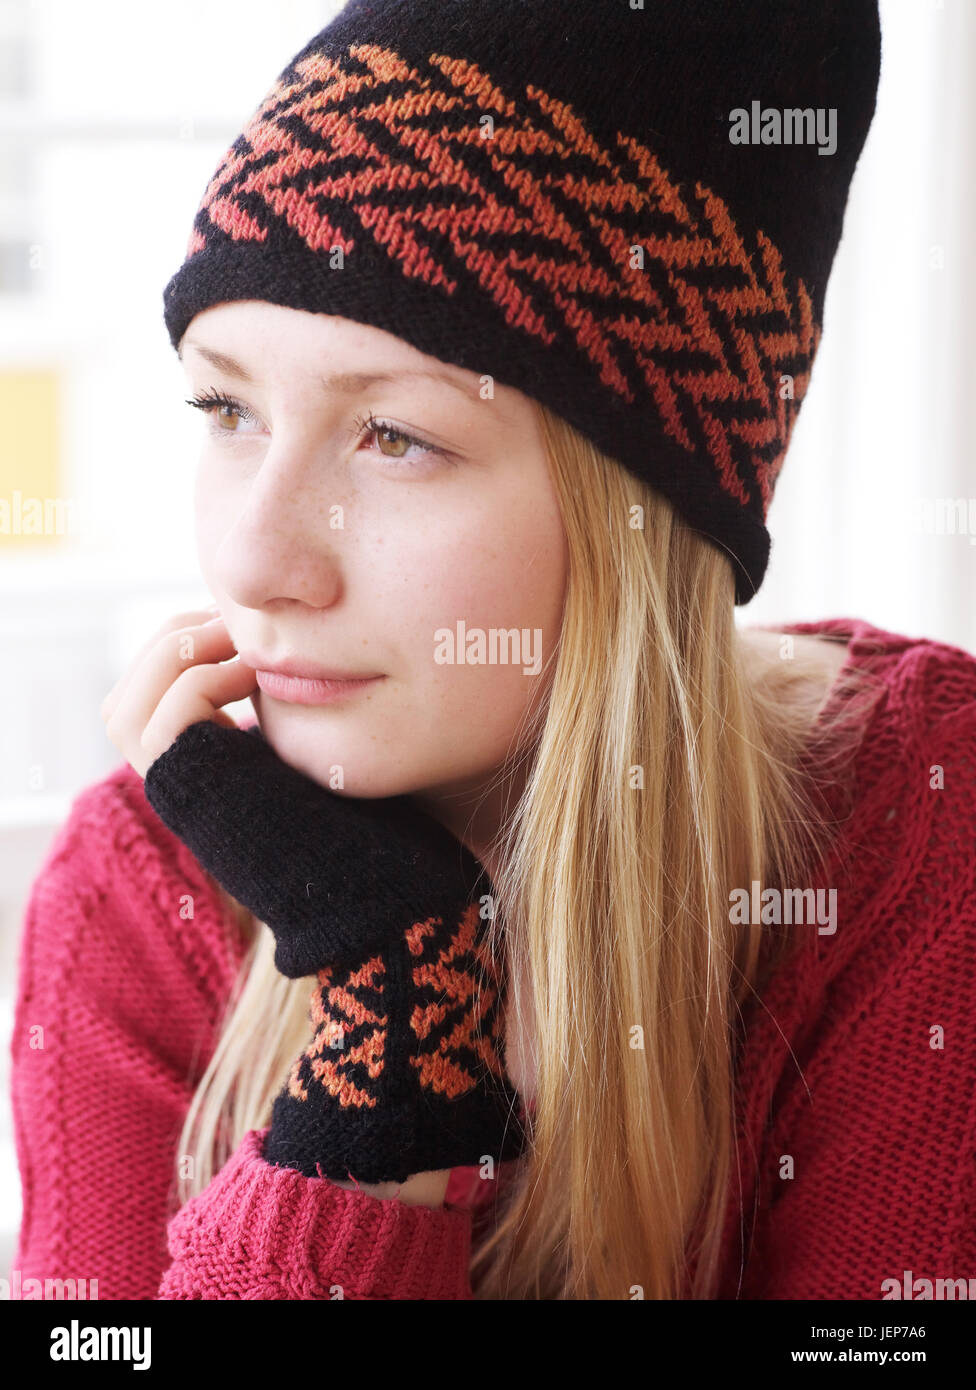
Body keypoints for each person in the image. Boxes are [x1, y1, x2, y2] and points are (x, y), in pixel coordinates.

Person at [11, 0, 976, 1301]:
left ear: (642, 512)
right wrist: (388, 1017)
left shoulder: (917, 819)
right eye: (226, 406)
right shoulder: (142, 893)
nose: (254, 560)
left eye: (393, 437)